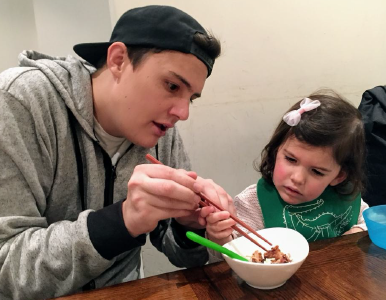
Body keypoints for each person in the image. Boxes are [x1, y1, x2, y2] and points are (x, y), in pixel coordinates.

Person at [0, 5, 229, 300]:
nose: (182, 113)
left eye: (191, 99)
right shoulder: (20, 102)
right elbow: (7, 268)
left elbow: (182, 255)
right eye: (172, 85)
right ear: (118, 60)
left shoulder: (162, 131)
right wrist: (121, 222)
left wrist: (188, 226)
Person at [205, 90, 369, 253]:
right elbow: (231, 255)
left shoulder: (344, 197)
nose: (297, 178)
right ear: (276, 150)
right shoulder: (253, 204)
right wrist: (221, 238)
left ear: (339, 176)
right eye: (291, 159)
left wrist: (357, 233)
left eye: (317, 172)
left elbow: (368, 221)